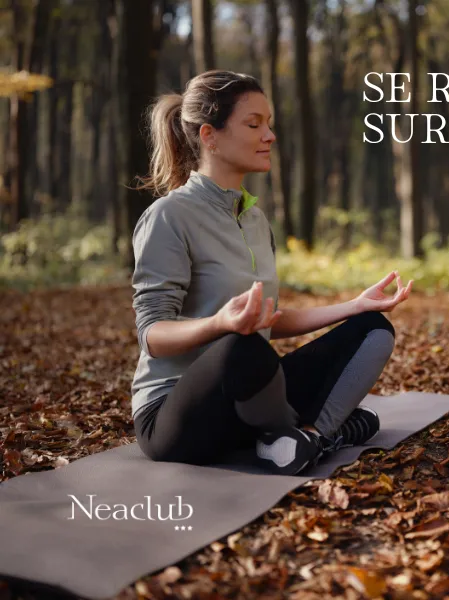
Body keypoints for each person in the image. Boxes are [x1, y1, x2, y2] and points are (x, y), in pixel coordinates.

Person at [129, 70, 412, 475]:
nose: (269, 136)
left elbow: (269, 321)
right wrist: (219, 324)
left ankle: (308, 437)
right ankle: (299, 434)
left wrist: (354, 305)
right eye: (254, 123)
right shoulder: (168, 217)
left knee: (372, 329)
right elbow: (152, 336)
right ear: (210, 136)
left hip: (248, 393)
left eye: (270, 124)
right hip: (175, 416)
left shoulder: (255, 220)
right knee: (239, 347)